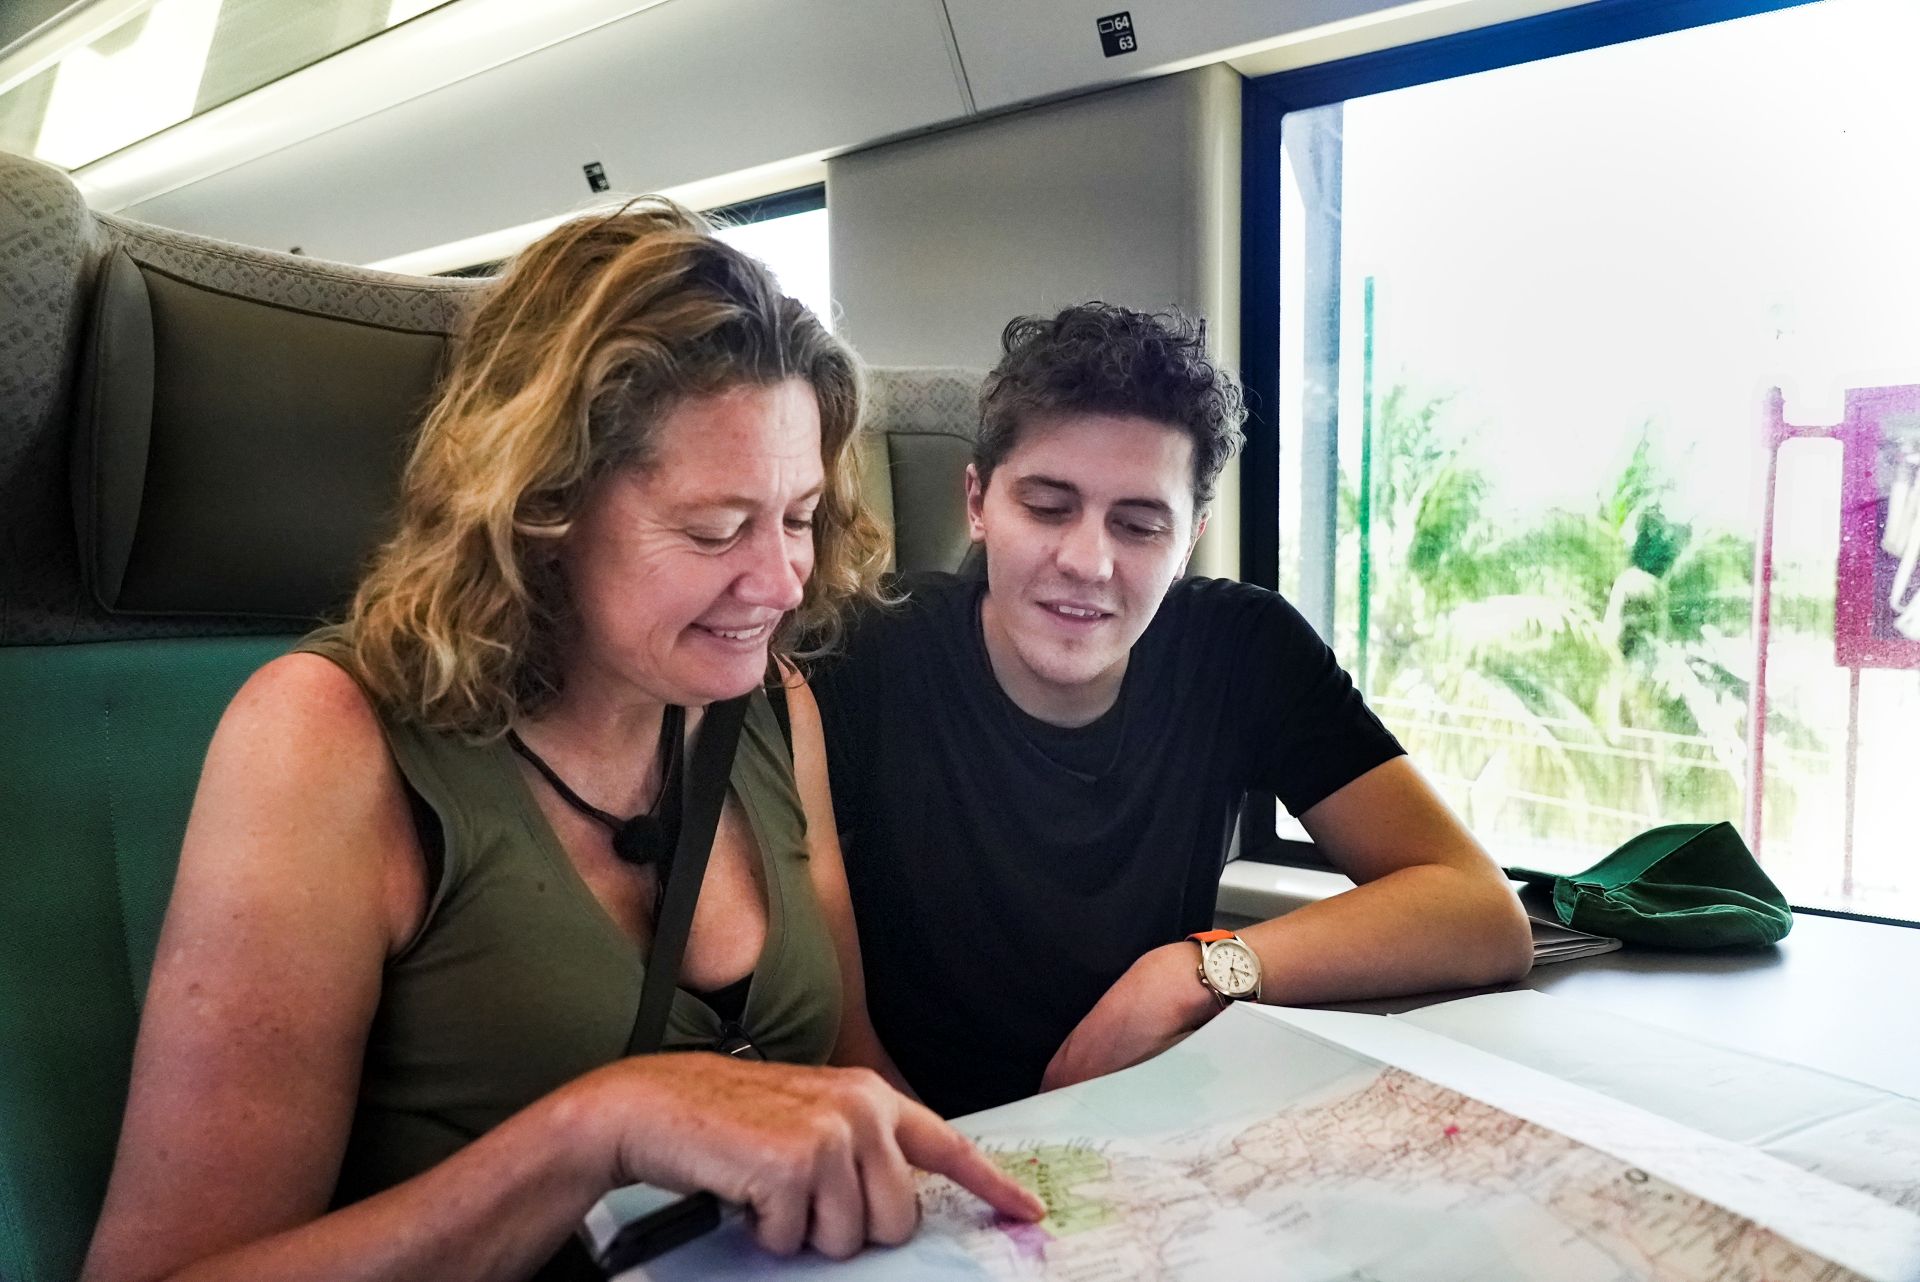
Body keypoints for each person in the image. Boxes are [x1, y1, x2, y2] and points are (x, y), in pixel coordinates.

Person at [82, 202, 1041, 1282]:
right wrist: (596, 1130)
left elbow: (848, 1061)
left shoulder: (773, 708)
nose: (780, 583)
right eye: (716, 528)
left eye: (799, 515)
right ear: (538, 509)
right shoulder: (322, 741)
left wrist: (1014, 1227)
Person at [812, 303, 1535, 1119]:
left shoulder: (1242, 649)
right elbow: (838, 1032)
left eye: (1139, 524)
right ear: (978, 502)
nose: (1088, 562)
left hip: (1147, 1124)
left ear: (1189, 537)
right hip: (917, 1134)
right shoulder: (862, 654)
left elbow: (1481, 913)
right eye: (1047, 507)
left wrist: (1194, 971)